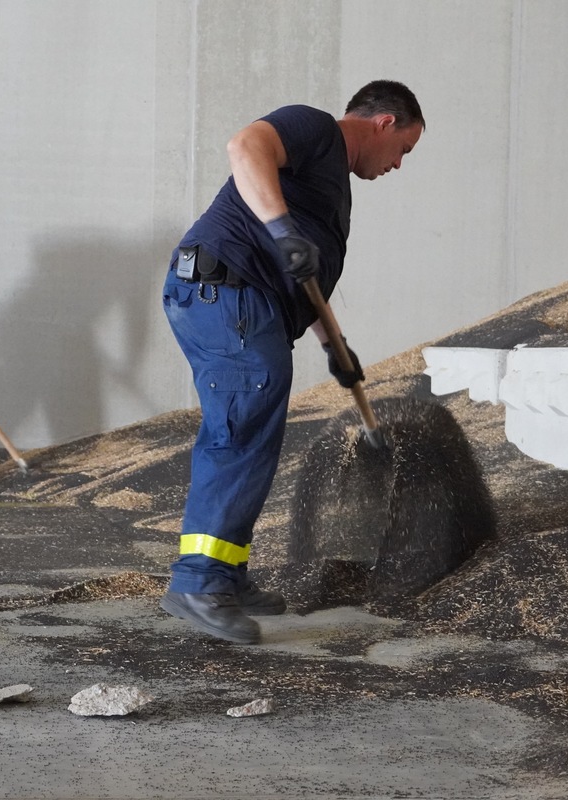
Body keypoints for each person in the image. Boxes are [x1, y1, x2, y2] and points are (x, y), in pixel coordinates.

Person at [159, 80, 425, 644]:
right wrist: (281, 231)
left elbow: (305, 278)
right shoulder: (315, 128)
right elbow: (244, 147)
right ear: (383, 123)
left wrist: (336, 347)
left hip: (244, 303)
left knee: (252, 430)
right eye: (404, 149)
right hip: (224, 290)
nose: (398, 165)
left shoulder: (330, 188)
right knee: (239, 428)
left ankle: (223, 574)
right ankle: (197, 584)